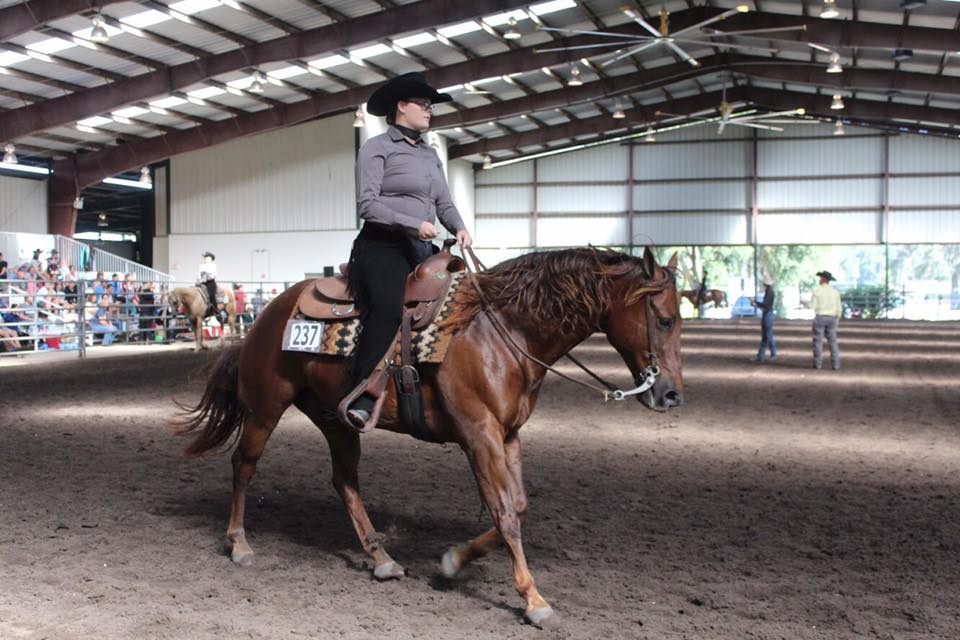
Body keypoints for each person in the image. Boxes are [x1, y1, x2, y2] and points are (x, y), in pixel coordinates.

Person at [344, 71, 473, 429]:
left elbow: (444, 202)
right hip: (381, 245)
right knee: (387, 307)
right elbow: (367, 205)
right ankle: (362, 394)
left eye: (430, 105)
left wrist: (459, 226)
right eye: (423, 104)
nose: (429, 111)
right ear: (401, 107)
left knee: (462, 299)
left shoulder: (431, 155)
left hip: (421, 248)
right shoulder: (377, 148)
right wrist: (411, 223)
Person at [811, 270, 842, 370]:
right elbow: (839, 308)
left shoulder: (817, 291)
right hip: (832, 318)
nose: (819, 280)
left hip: (820, 316)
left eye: (820, 278)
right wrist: (837, 318)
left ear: (823, 279)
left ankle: (818, 364)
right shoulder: (835, 293)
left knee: (818, 341)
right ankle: (835, 364)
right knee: (833, 341)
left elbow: (813, 306)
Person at [751, 275, 777, 363]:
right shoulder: (770, 291)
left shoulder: (769, 292)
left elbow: (766, 305)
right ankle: (761, 356)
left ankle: (773, 354)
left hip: (767, 314)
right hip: (767, 314)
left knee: (768, 335)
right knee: (765, 336)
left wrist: (756, 303)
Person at [198, 252, 218, 317]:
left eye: (206, 257)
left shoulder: (213, 266)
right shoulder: (201, 266)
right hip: (202, 282)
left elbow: (213, 275)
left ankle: (214, 308)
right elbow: (199, 274)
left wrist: (206, 277)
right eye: (205, 257)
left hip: (210, 282)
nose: (205, 259)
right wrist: (199, 279)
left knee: (211, 294)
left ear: (210, 258)